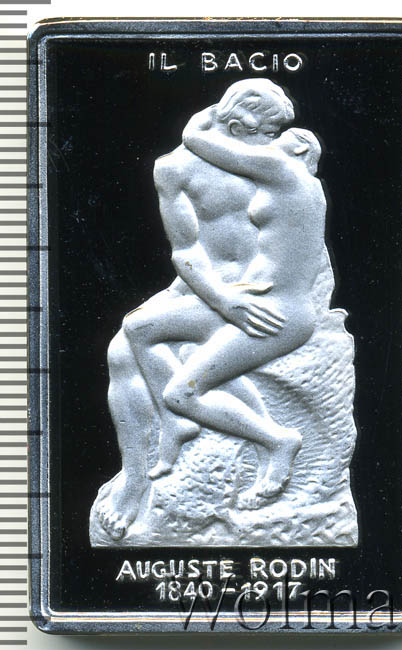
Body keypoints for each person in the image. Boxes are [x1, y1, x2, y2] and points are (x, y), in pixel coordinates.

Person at [96, 79, 295, 539]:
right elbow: (185, 250)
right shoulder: (175, 169)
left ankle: (179, 421)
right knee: (120, 351)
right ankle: (136, 475)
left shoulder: (273, 161)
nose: (276, 141)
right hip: (206, 288)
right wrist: (221, 298)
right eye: (268, 132)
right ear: (238, 125)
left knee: (139, 334)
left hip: (259, 289)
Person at [156, 109, 327, 508]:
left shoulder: (284, 170)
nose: (270, 142)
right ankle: (175, 429)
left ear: (300, 149)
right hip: (269, 303)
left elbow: (198, 140)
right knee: (149, 332)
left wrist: (212, 114)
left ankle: (277, 440)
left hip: (278, 316)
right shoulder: (303, 187)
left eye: (280, 137)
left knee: (180, 394)